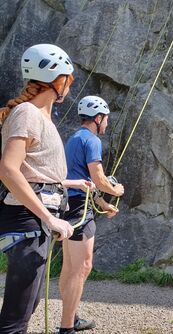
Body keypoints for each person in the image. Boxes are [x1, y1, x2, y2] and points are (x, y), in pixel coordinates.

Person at [0, 44, 93, 333]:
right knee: (16, 317)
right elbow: (8, 169)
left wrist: (70, 182)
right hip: (27, 220)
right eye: (69, 78)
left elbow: (33, 172)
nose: (70, 84)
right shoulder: (28, 113)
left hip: (33, 219)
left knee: (27, 304)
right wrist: (50, 218)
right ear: (58, 80)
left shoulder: (41, 117)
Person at [58, 95, 124, 334]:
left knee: (70, 266)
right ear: (98, 118)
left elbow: (84, 183)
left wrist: (104, 204)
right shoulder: (92, 140)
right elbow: (98, 179)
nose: (106, 123)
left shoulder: (74, 139)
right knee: (83, 266)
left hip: (71, 205)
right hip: (80, 210)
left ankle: (71, 318)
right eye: (105, 119)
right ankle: (67, 326)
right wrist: (116, 190)